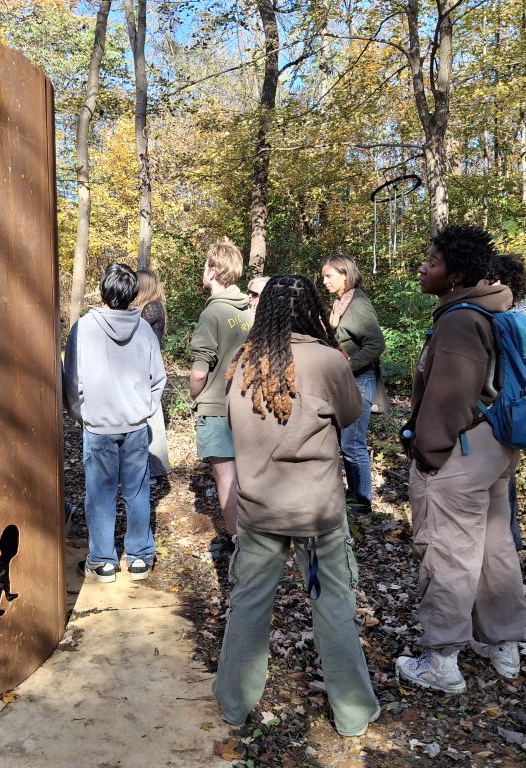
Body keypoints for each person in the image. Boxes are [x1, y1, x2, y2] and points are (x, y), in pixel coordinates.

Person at [213, 275, 380, 737]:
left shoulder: (243, 362)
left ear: (262, 311)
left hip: (260, 506)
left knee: (248, 602)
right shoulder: (329, 361)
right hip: (317, 512)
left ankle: (233, 702)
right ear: (312, 310)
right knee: (333, 606)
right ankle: (351, 714)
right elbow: (349, 416)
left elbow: (230, 420)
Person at [396, 225, 526, 694]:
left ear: (454, 272)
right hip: (494, 448)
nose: (422, 267)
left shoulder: (458, 320)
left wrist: (427, 456)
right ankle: (503, 643)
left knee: (450, 552)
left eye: (430, 261)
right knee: (495, 546)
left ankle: (442, 660)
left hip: (461, 453)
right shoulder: (493, 309)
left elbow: (448, 401)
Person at [63, 263, 167, 583]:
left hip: (99, 427)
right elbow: (157, 379)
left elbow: (72, 381)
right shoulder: (144, 329)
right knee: (137, 491)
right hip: (135, 425)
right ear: (131, 294)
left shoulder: (84, 328)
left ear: (104, 291)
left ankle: (104, 561)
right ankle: (139, 558)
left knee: (100, 493)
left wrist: (82, 414)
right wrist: (143, 409)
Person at [190, 238, 253, 541]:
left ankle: (238, 544)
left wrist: (194, 393)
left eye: (205, 266)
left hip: (216, 409)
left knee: (226, 478)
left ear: (213, 270)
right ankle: (255, 539)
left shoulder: (211, 314)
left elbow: (200, 369)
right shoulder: (249, 313)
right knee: (247, 477)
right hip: (249, 408)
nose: (204, 271)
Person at [320, 255, 386, 513]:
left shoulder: (357, 305)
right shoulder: (341, 303)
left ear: (345, 275)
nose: (324, 281)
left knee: (352, 443)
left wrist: (347, 366)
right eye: (323, 276)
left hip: (360, 381)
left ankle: (362, 500)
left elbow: (376, 344)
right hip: (347, 382)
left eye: (329, 276)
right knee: (343, 440)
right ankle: (353, 493)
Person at [490, 253, 526, 552]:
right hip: (511, 402)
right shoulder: (524, 313)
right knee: (503, 475)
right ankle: (508, 538)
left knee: (504, 475)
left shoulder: (519, 315)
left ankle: (509, 539)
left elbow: (524, 359)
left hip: (509, 403)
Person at [133, 269, 170, 478]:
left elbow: (138, 335)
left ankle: (155, 470)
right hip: (143, 369)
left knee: (150, 418)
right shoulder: (147, 307)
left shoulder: (152, 307)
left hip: (147, 370)